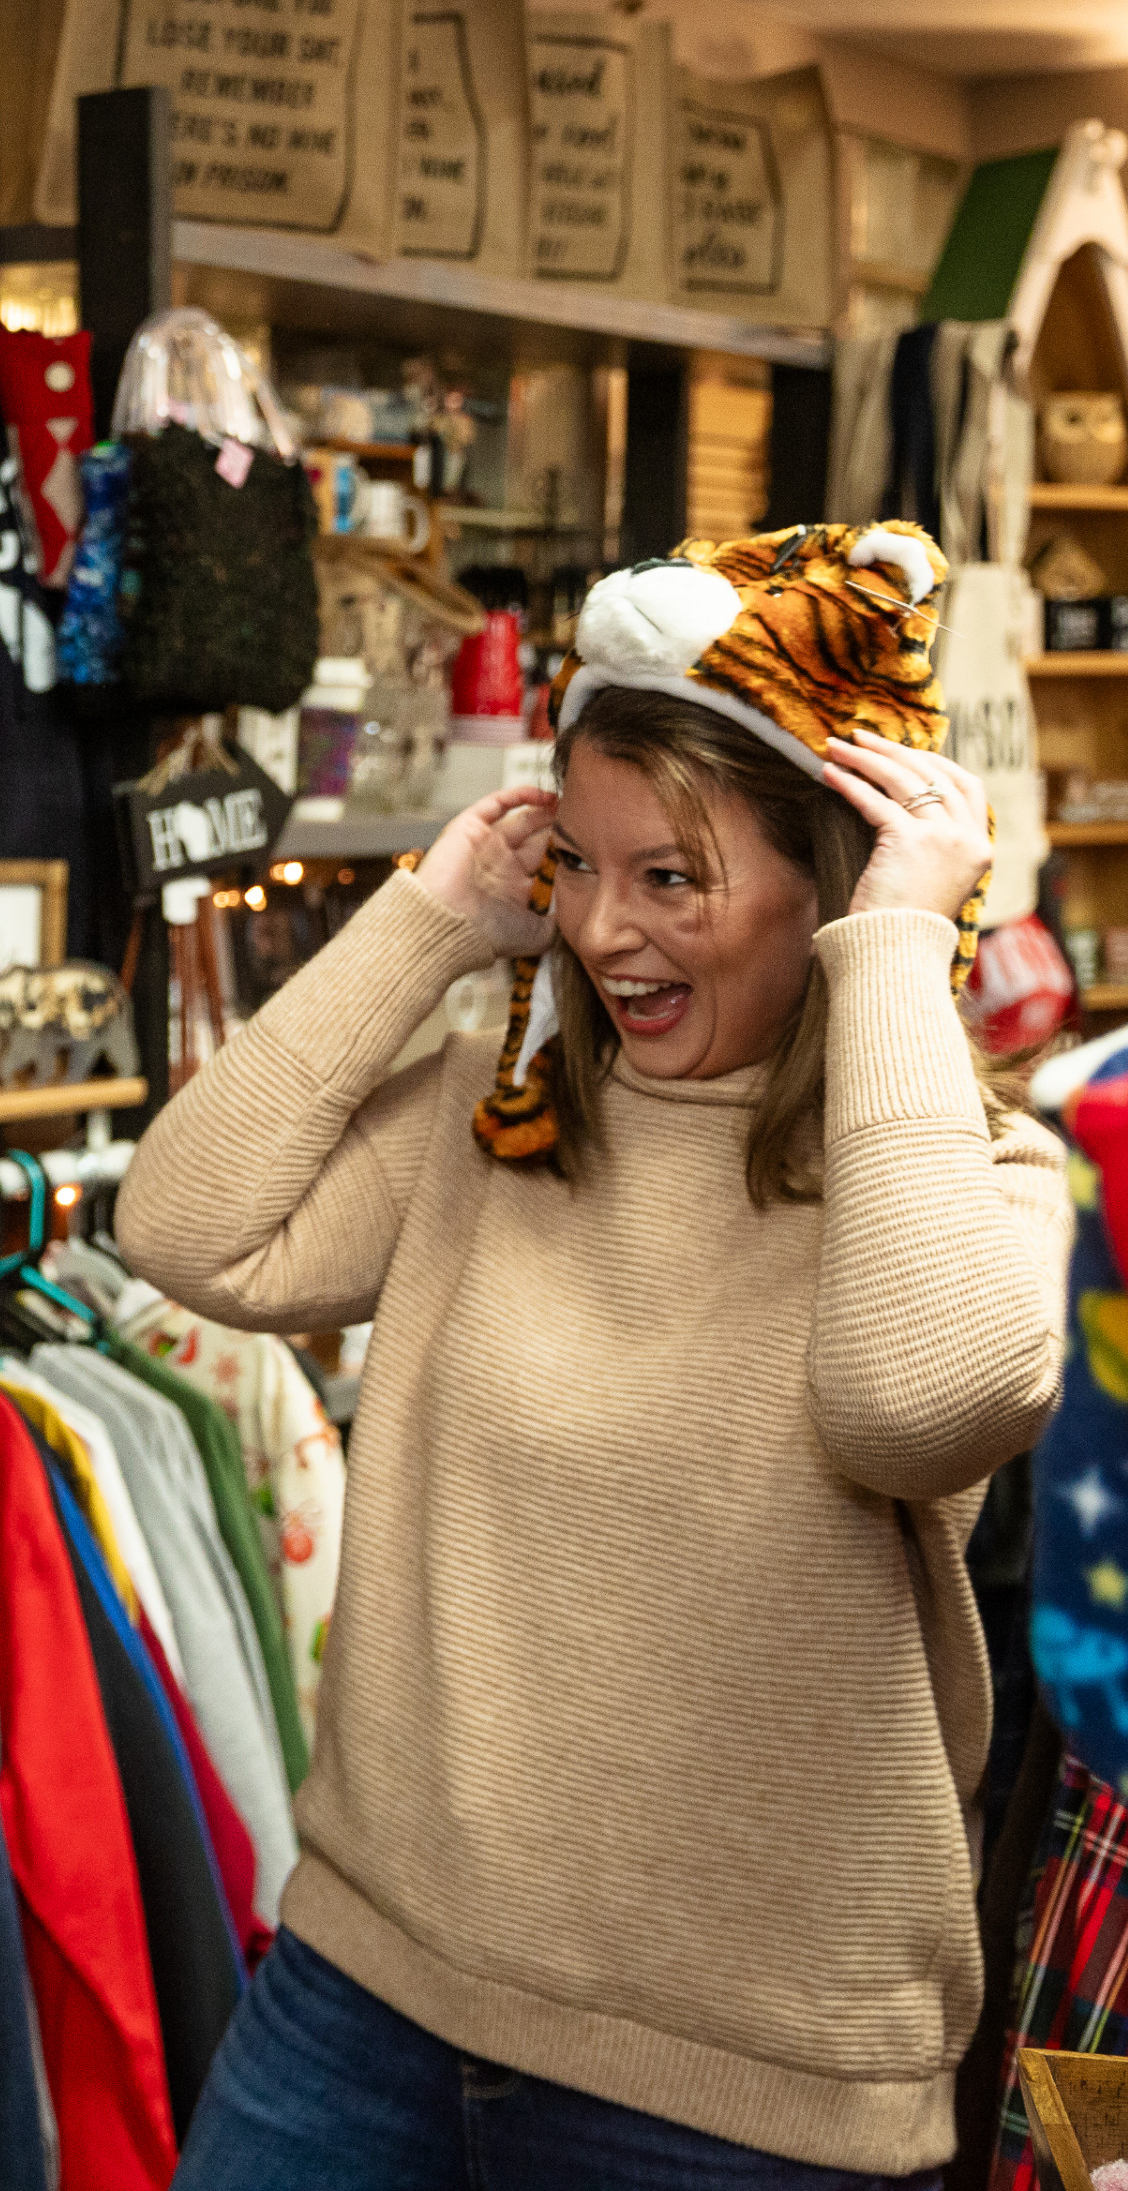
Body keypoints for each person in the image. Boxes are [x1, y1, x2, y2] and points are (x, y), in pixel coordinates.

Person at [118, 523, 1070, 2191]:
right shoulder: (507, 1128)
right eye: (583, 862)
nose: (608, 931)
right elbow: (191, 1231)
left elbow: (920, 1405)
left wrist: (907, 950)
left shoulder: (969, 1181)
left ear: (833, 881)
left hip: (737, 2098)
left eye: (675, 876)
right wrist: (430, 922)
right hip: (363, 1997)